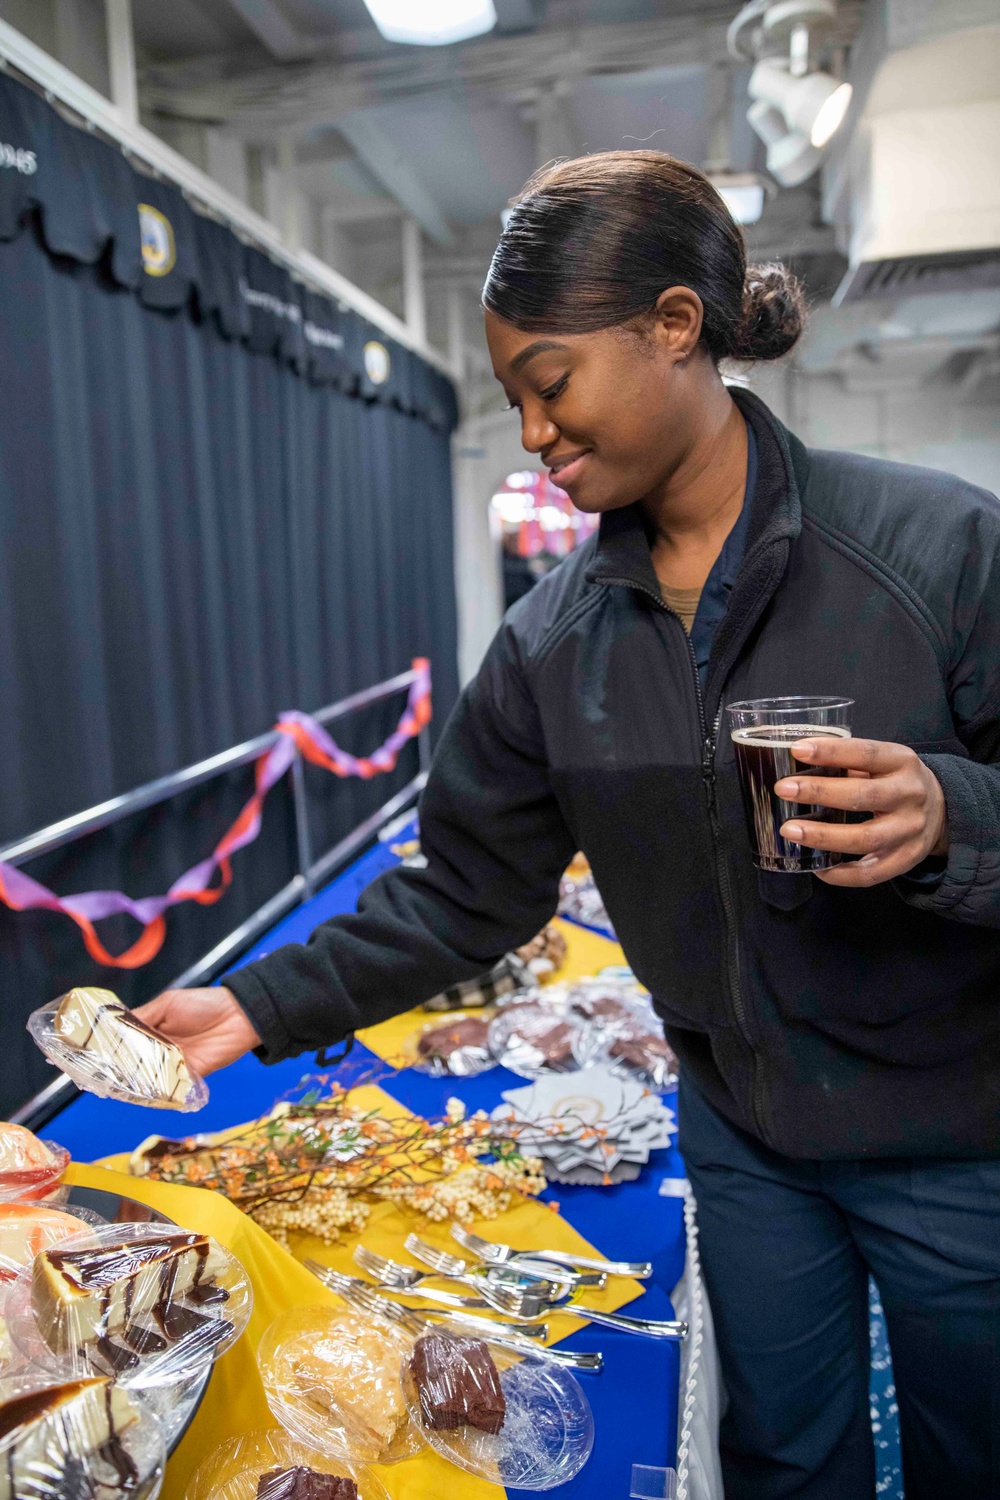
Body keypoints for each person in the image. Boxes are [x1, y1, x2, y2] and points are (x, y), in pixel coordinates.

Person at [137, 152, 1000, 1500]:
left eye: (551, 385)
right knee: (783, 1457)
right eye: (514, 403)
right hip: (750, 1136)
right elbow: (464, 893)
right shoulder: (550, 645)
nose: (535, 433)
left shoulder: (931, 548)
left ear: (672, 327)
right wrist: (255, 1004)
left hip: (961, 1130)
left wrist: (954, 809)